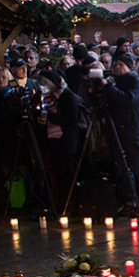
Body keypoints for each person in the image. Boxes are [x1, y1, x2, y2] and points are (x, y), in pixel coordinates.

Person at [96, 53, 139, 217]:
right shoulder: (115, 83)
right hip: (117, 131)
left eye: (120, 64)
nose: (116, 67)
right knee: (124, 169)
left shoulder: (136, 82)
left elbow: (129, 100)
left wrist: (108, 88)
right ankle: (130, 201)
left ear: (128, 65)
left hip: (133, 131)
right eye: (115, 64)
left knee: (138, 168)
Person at [34, 70, 81, 211]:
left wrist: (49, 117)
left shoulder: (67, 96)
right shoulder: (46, 98)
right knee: (56, 173)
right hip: (52, 140)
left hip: (65, 140)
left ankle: (72, 202)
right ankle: (59, 201)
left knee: (67, 173)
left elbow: (72, 119)